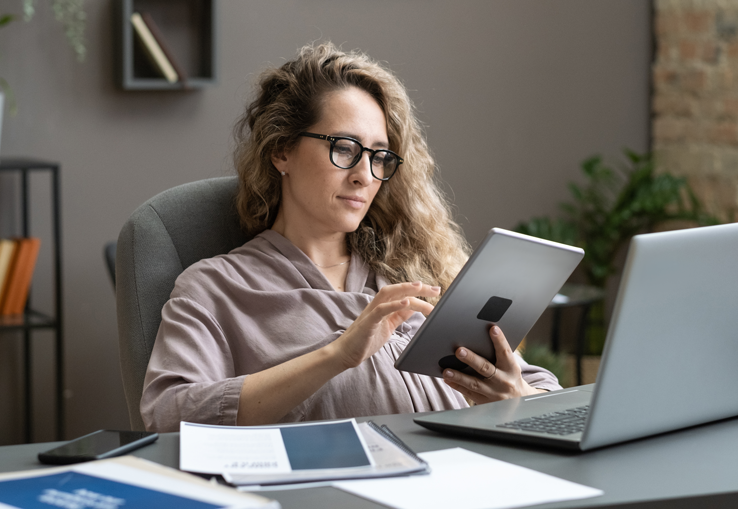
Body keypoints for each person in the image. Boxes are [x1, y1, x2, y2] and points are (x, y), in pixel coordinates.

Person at [141, 42, 561, 432]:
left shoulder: (416, 271)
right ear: (281, 150)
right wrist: (337, 354)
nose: (364, 174)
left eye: (379, 156)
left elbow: (544, 391)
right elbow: (168, 414)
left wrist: (516, 396)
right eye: (344, 148)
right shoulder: (216, 288)